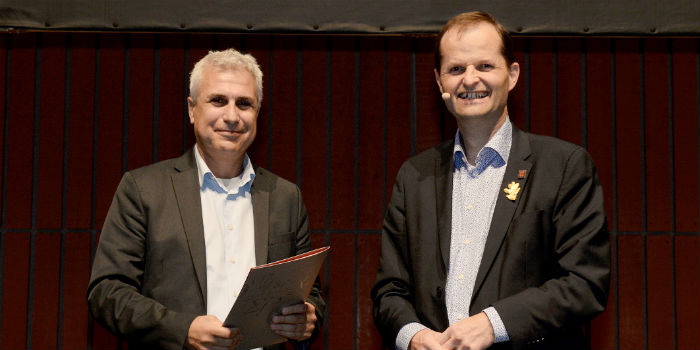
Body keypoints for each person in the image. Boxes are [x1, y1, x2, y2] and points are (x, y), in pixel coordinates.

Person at [371, 11, 610, 350]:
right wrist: (414, 336)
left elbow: (586, 283)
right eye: (456, 69)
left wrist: (493, 323)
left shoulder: (564, 167)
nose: (470, 80)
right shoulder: (414, 176)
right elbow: (389, 291)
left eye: (484, 66)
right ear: (440, 82)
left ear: (512, 75)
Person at [87, 48, 325, 350]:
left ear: (258, 113)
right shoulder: (142, 189)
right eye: (218, 100)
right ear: (191, 109)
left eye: (244, 104)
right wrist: (182, 329)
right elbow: (107, 292)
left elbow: (309, 293)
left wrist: (308, 319)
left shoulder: (285, 197)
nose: (231, 116)